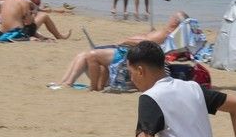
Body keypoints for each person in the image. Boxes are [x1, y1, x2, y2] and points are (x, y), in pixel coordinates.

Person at [52, 11, 189, 91]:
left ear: (175, 21)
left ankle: (92, 88)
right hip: (126, 51)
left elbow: (147, 44)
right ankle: (65, 82)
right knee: (82, 54)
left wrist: (126, 41)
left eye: (172, 16)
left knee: (90, 55)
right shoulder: (166, 33)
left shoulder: (166, 33)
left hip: (127, 54)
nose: (170, 17)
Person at [0, 0, 70, 40]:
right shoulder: (23, 2)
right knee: (44, 16)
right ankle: (60, 37)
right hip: (17, 33)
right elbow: (29, 23)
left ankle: (41, 36)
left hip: (4, 33)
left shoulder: (5, 2)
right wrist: (33, 14)